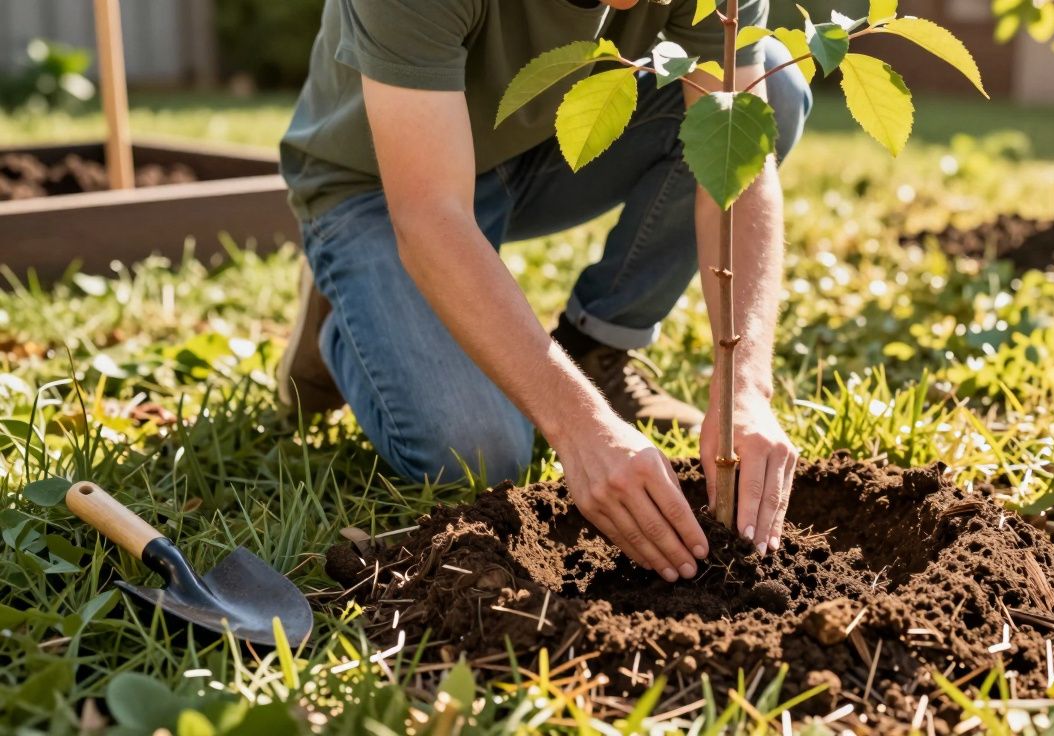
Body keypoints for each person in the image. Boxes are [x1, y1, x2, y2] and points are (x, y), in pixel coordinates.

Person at [277, 0, 810, 583]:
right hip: (379, 185)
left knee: (766, 92)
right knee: (477, 452)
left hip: (537, 149)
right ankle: (347, 311)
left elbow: (736, 164)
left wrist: (748, 387)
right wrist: (578, 428)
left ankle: (596, 351)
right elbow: (430, 214)